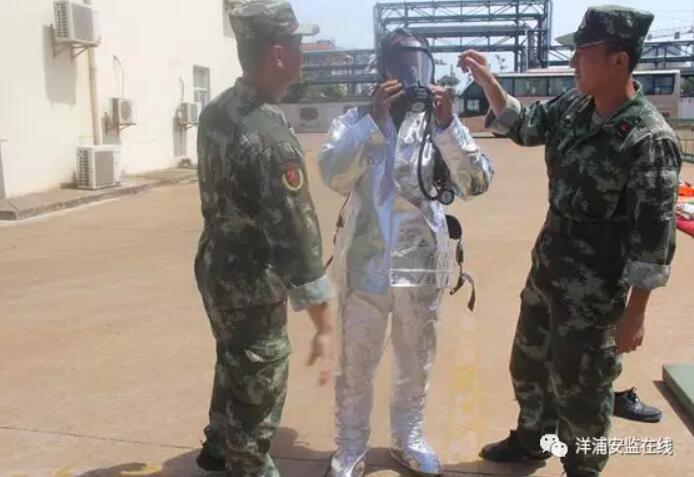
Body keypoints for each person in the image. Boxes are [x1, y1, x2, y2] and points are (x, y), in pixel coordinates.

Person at [459, 5, 681, 477]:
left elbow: (653, 240)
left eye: (584, 54)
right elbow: (524, 124)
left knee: (583, 388)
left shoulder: (649, 139)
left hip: (596, 293)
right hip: (548, 268)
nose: (574, 62)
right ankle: (533, 441)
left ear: (619, 61)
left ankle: (583, 467)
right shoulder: (575, 107)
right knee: (529, 365)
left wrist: (635, 313)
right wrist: (488, 82)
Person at [319, 28, 494, 477]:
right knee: (355, 366)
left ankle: (408, 438)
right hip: (365, 267)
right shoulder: (356, 120)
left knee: (416, 364)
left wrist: (449, 127)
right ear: (383, 70)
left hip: (421, 269)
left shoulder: (437, 124)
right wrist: (372, 123)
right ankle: (350, 448)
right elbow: (333, 175)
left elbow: (476, 182)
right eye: (399, 65)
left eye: (417, 64)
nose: (409, 74)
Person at [193, 1, 334, 475]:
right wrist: (322, 318)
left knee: (233, 356)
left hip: (216, 268)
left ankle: (218, 445)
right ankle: (246, 463)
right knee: (260, 380)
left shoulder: (217, 112)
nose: (302, 53)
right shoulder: (269, 135)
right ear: (278, 54)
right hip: (251, 284)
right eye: (298, 44)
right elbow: (295, 232)